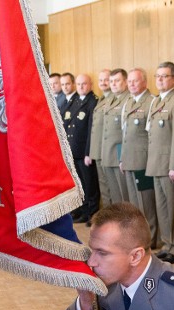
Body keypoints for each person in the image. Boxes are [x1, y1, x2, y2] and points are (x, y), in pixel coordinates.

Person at [145, 62, 174, 264]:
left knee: (173, 207)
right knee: (162, 208)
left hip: (169, 165)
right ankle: (167, 243)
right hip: (155, 163)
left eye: (165, 76)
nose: (160, 80)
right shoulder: (156, 102)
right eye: (158, 76)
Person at [120, 68, 158, 245]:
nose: (132, 84)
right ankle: (138, 236)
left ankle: (150, 238)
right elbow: (125, 133)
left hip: (143, 160)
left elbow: (152, 136)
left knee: (146, 204)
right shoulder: (128, 102)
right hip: (128, 159)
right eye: (130, 81)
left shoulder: (151, 102)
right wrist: (122, 158)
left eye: (135, 81)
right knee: (133, 205)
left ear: (145, 82)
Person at [66, 74, 99, 224]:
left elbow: (91, 130)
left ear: (90, 84)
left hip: (85, 151)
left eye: (84, 84)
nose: (80, 87)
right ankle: (84, 212)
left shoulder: (92, 102)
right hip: (75, 150)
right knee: (82, 185)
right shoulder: (75, 101)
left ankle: (92, 213)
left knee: (90, 185)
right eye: (78, 84)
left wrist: (88, 152)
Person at [85, 68, 113, 210]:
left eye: (106, 79)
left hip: (111, 152)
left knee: (113, 191)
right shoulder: (101, 99)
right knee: (104, 189)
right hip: (100, 151)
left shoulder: (114, 99)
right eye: (100, 80)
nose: (103, 82)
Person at [101, 69, 130, 205]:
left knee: (124, 196)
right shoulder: (109, 100)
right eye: (111, 81)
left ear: (125, 82)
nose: (113, 84)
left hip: (120, 153)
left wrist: (123, 157)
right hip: (108, 154)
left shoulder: (129, 100)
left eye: (117, 81)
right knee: (114, 195)